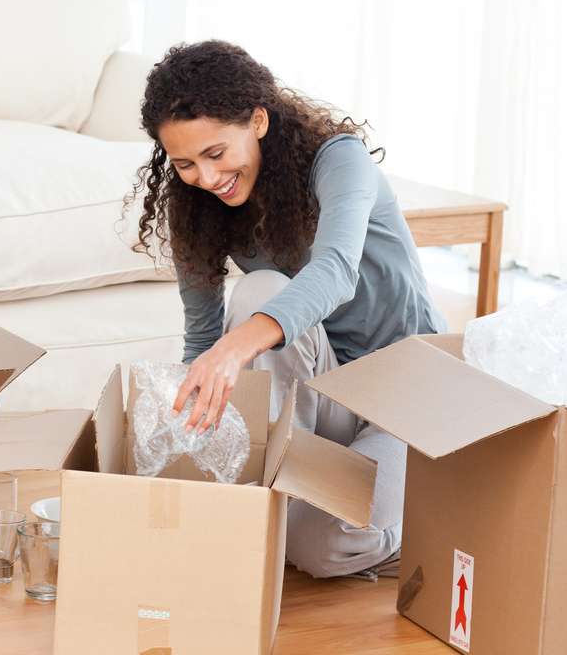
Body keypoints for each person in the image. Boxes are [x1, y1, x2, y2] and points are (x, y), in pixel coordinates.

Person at [131, 40, 445, 578]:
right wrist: (177, 446)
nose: (205, 179)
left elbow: (336, 271)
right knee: (259, 292)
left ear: (257, 119)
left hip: (405, 393)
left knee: (323, 550)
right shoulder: (198, 206)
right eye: (184, 163)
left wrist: (236, 347)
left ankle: (439, 510)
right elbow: (202, 338)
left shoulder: (339, 160)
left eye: (215, 154)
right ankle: (279, 491)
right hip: (327, 399)